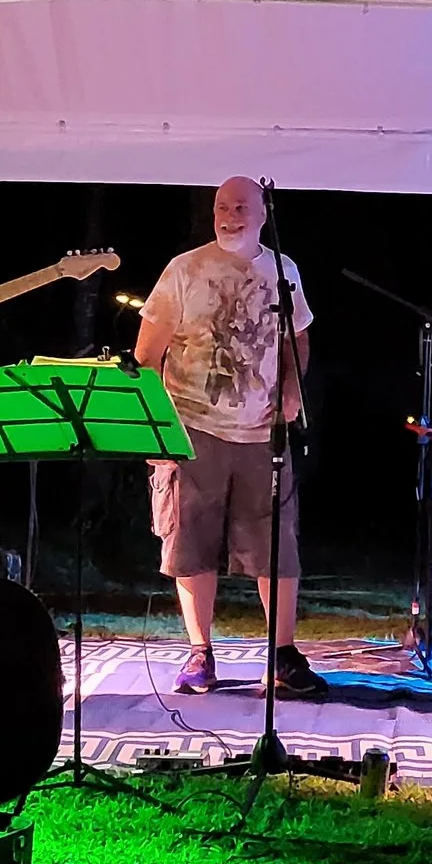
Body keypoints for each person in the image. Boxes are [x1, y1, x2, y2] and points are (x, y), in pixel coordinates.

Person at [133, 177, 327, 699]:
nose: (230, 215)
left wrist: (290, 387)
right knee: (191, 540)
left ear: (264, 213)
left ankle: (282, 656)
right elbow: (146, 352)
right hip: (192, 426)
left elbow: (297, 339)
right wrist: (155, 423)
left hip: (262, 432)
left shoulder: (283, 271)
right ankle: (201, 654)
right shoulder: (185, 269)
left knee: (274, 543)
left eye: (241, 206)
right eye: (222, 207)